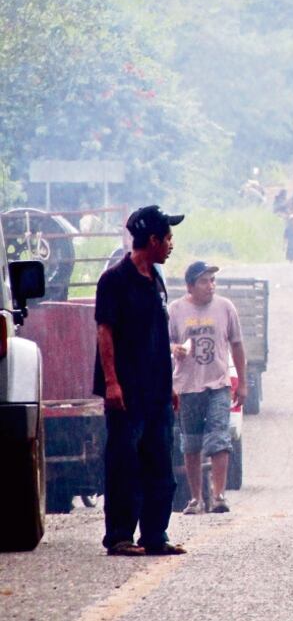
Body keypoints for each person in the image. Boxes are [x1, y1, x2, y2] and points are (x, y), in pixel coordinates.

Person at [95, 205, 186, 556]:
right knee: (125, 463)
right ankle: (120, 536)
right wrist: (112, 382)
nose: (171, 244)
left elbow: (158, 336)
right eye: (168, 238)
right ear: (152, 240)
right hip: (127, 390)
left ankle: (154, 535)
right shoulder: (114, 280)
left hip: (156, 390)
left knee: (160, 464)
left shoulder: (156, 278)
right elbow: (105, 332)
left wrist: (169, 384)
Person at [169, 261, 248, 515]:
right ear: (190, 286)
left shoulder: (225, 308)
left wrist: (243, 383)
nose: (210, 286)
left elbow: (237, 345)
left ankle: (218, 496)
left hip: (218, 385)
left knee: (219, 438)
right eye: (204, 281)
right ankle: (195, 498)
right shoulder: (176, 310)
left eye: (212, 281)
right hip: (187, 387)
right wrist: (174, 349)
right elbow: (164, 342)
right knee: (191, 443)